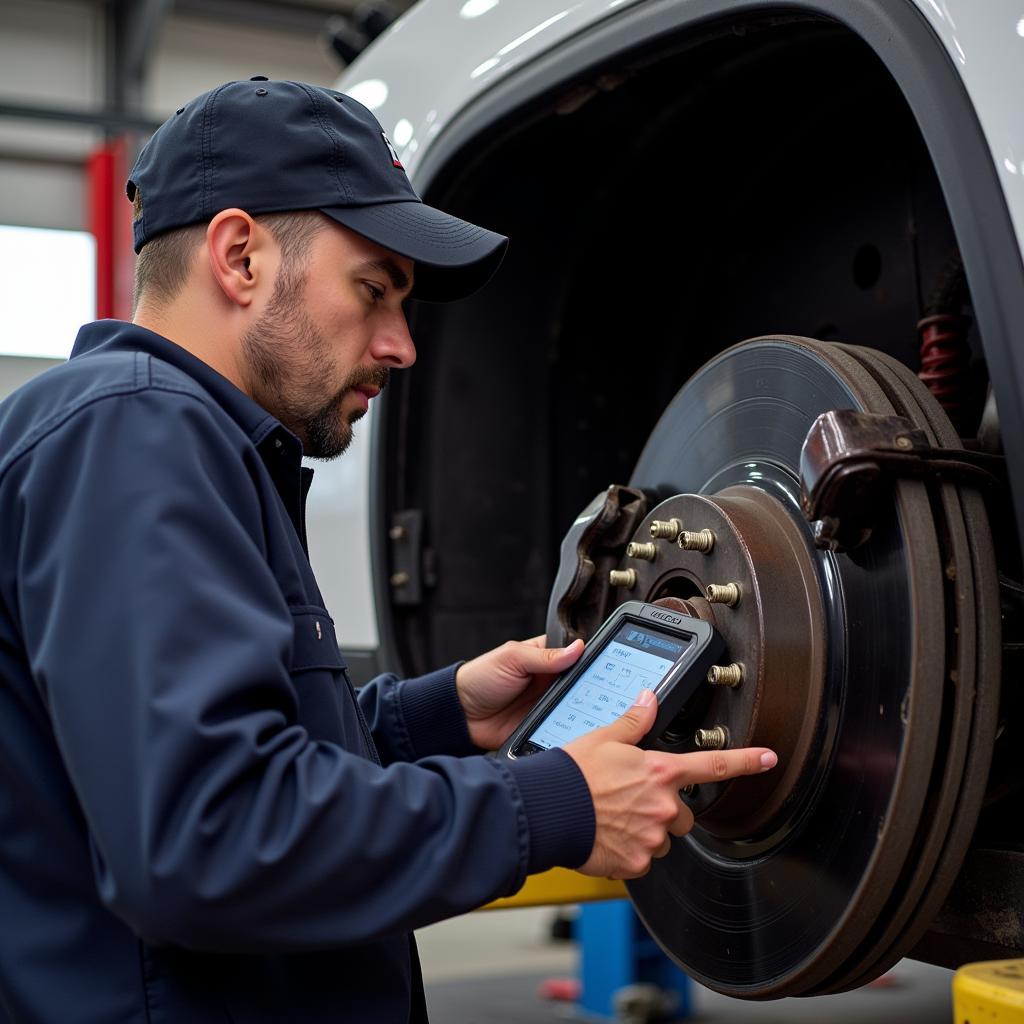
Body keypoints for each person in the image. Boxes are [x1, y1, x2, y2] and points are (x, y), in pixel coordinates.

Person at [0, 79, 777, 1023]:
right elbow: (208, 839)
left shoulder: (174, 439)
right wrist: (551, 806)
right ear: (239, 255)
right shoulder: (133, 436)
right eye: (374, 290)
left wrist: (433, 718)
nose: (403, 346)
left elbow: (207, 758)